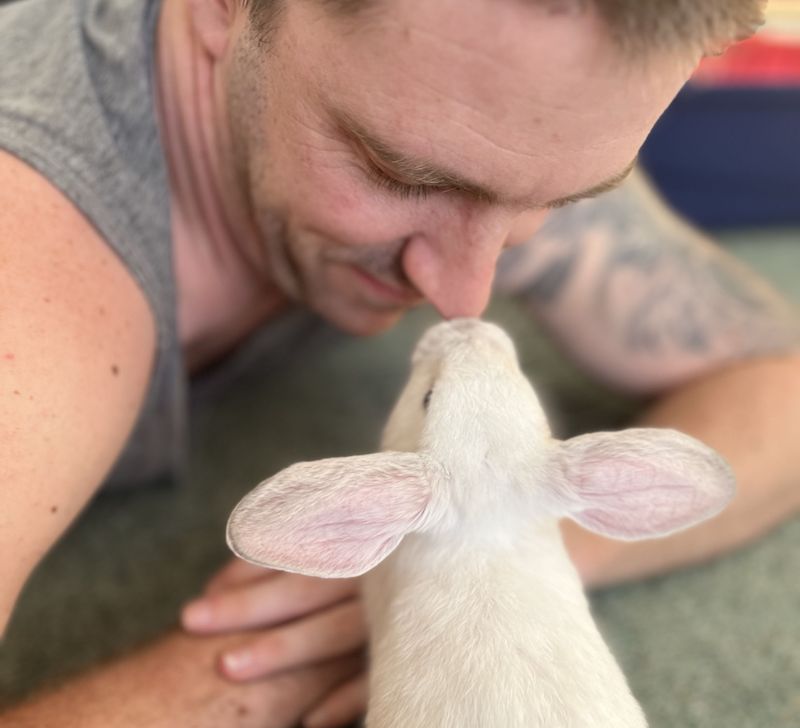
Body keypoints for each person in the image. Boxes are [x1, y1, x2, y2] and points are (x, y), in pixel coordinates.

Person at [1, 0, 798, 726]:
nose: (466, 295)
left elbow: (784, 385)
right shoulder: (29, 286)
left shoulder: (503, 112)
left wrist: (500, 558)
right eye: (398, 176)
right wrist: (258, 671)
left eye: (557, 202)